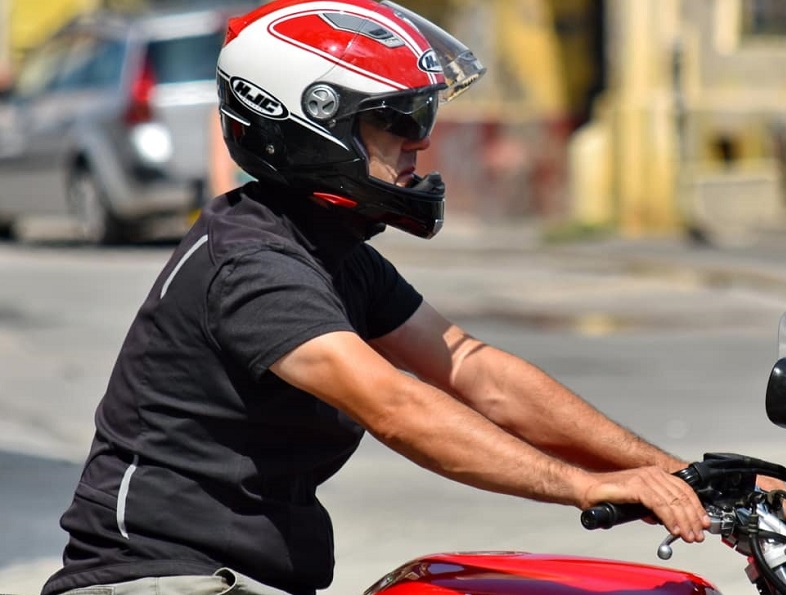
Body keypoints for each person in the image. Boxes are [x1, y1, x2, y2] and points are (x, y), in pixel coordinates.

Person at [41, 1, 718, 594]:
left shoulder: (330, 251)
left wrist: (676, 471)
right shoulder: (253, 263)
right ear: (312, 125)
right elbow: (394, 405)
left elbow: (474, 368)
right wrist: (584, 486)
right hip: (160, 581)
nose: (419, 140)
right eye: (396, 117)